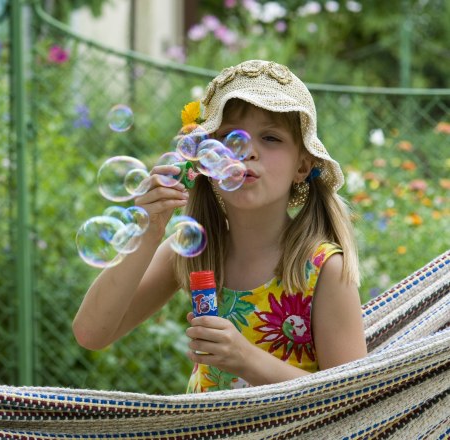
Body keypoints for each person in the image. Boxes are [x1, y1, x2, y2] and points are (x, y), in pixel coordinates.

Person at [73, 60, 367, 392]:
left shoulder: (323, 269)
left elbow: (350, 396)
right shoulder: (193, 249)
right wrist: (149, 229)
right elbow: (91, 333)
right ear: (206, 158)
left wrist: (246, 359)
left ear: (302, 165)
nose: (248, 152)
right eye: (229, 137)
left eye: (270, 138)